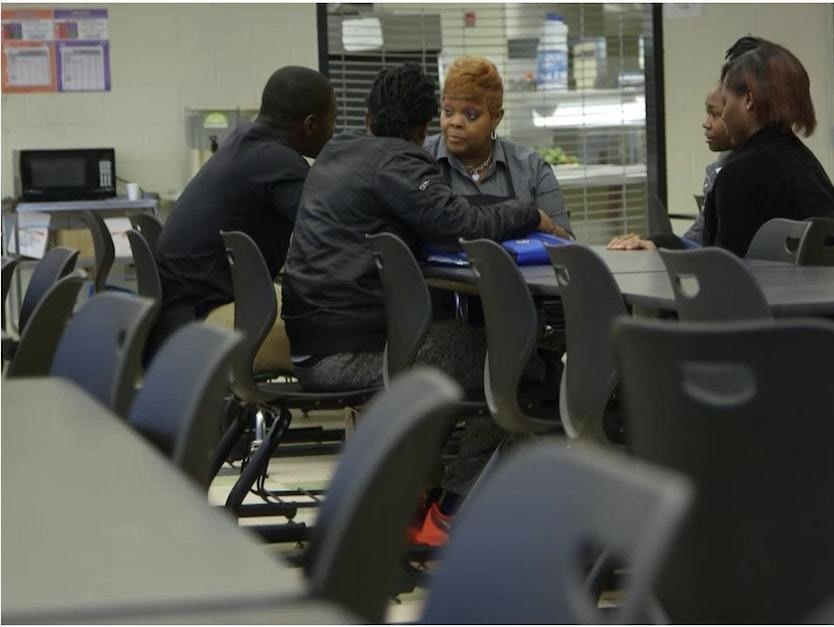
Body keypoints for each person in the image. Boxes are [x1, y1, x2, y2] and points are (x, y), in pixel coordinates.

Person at [281, 63, 560, 545]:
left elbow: (450, 212)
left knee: (469, 352)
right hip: (347, 354)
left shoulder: (340, 153)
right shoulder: (398, 162)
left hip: (313, 341)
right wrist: (529, 213)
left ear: (367, 117)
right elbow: (461, 222)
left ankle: (417, 502)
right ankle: (450, 510)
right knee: (519, 367)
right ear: (423, 128)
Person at [149, 66, 337, 369]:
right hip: (200, 319)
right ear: (311, 125)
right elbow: (332, 228)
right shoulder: (277, 161)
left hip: (174, 314)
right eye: (333, 120)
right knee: (348, 338)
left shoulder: (243, 139)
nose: (334, 130)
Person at [609, 36, 834, 256]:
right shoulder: (806, 164)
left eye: (724, 104)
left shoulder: (740, 175)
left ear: (748, 99)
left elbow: (727, 278)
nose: (723, 116)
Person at [424, 55, 573, 238]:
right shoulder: (420, 161)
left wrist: (545, 226)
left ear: (496, 117)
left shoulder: (531, 168)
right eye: (448, 111)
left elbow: (566, 243)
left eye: (471, 115)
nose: (455, 122)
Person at [608, 80, 735, 250]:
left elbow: (725, 256)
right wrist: (657, 244)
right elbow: (699, 238)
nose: (706, 123)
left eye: (715, 114)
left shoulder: (742, 174)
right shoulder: (720, 167)